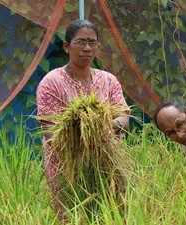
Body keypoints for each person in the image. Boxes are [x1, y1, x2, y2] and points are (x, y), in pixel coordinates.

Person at [36, 19, 129, 222]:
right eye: (80, 42)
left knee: (110, 213)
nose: (87, 48)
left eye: (92, 42)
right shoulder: (51, 83)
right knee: (71, 215)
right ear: (67, 47)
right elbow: (50, 131)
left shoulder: (108, 80)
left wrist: (104, 126)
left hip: (106, 161)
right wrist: (81, 134)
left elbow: (123, 116)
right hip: (66, 166)